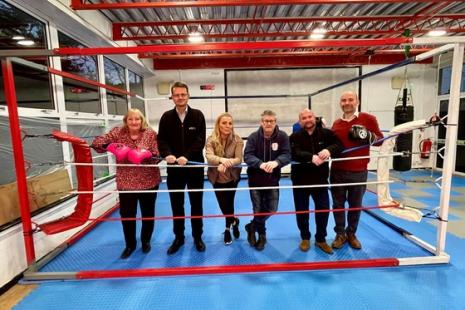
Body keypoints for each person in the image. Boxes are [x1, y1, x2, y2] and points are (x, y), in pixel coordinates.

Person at [92, 108, 161, 259]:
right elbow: (97, 143)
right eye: (131, 119)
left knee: (147, 214)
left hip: (148, 181)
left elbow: (159, 155)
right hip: (126, 182)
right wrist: (111, 146)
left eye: (137, 119)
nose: (134, 122)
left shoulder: (150, 133)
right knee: (127, 215)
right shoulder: (118, 132)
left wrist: (147, 154)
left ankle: (145, 241)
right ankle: (130, 245)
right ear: (126, 121)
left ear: (142, 120)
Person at [158, 82, 206, 255]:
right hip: (175, 169)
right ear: (172, 97)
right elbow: (161, 140)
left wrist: (187, 156)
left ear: (188, 95)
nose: (180, 97)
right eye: (177, 95)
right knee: (176, 205)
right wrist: (167, 154)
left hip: (193, 168)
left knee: (196, 204)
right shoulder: (166, 117)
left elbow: (200, 140)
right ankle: (179, 237)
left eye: (183, 94)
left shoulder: (198, 115)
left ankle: (197, 236)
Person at [330, 91, 383, 250]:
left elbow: (380, 140)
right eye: (344, 100)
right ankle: (340, 234)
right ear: (341, 103)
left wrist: (367, 136)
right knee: (338, 204)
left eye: (350, 100)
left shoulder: (368, 119)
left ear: (357, 101)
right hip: (337, 171)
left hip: (358, 170)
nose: (347, 103)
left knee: (355, 204)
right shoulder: (336, 123)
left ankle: (351, 233)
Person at [290, 109, 343, 254]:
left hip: (320, 180)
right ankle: (305, 238)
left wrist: (329, 150)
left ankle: (321, 239)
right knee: (302, 211)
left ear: (314, 118)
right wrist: (311, 157)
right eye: (304, 118)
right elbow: (294, 153)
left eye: (310, 117)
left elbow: (339, 145)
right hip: (300, 180)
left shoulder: (326, 133)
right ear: (300, 121)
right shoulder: (294, 136)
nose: (307, 120)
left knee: (323, 210)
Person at [243, 110, 291, 251]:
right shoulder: (253, 137)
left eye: (271, 121)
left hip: (272, 180)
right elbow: (247, 156)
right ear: (261, 122)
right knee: (258, 209)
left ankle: (252, 226)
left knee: (272, 209)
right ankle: (262, 235)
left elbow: (287, 154)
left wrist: (277, 162)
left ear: (275, 122)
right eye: (266, 121)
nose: (268, 123)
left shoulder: (282, 136)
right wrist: (260, 164)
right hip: (255, 180)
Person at [205, 113, 244, 245]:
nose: (227, 126)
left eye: (230, 123)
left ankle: (227, 228)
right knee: (223, 206)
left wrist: (228, 163)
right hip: (216, 178)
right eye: (224, 123)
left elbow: (239, 158)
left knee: (229, 203)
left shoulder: (237, 140)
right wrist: (222, 160)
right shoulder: (211, 139)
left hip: (232, 178)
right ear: (218, 124)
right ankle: (234, 221)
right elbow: (209, 156)